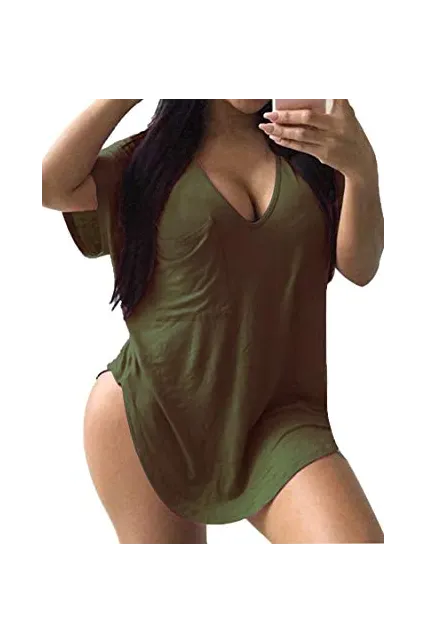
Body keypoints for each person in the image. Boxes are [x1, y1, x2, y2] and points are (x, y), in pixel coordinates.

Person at [41, 96, 384, 544]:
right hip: (150, 415)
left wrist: (362, 169)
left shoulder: (313, 148)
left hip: (278, 420)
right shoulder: (146, 160)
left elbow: (360, 267)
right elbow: (49, 186)